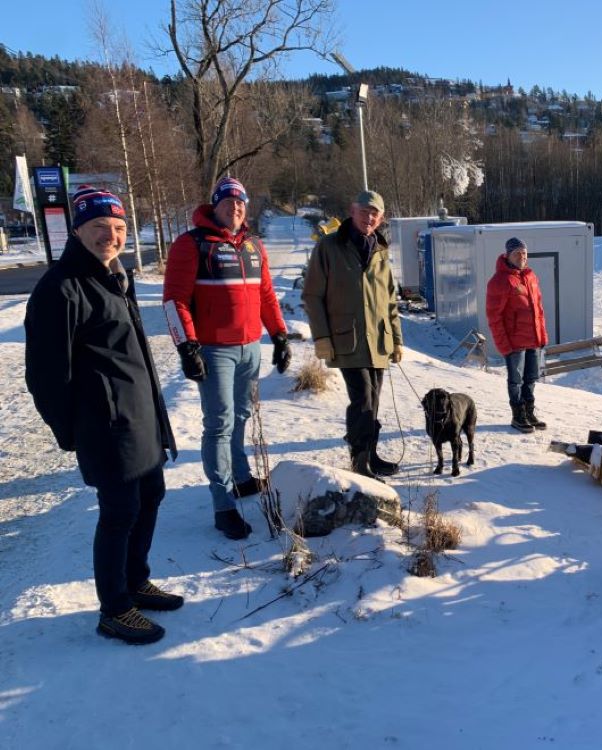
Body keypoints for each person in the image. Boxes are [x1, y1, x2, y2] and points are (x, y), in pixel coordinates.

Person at [24, 188, 181, 645]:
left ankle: (135, 581)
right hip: (106, 424)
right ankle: (114, 608)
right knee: (120, 511)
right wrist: (72, 430)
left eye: (117, 229)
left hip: (140, 416)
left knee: (151, 495)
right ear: (78, 230)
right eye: (98, 228)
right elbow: (46, 376)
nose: (109, 237)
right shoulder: (62, 286)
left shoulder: (112, 275)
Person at [163, 176, 291, 540]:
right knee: (219, 423)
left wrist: (279, 335)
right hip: (213, 349)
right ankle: (222, 504)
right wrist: (187, 346)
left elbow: (266, 295)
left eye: (241, 202)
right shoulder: (191, 245)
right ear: (214, 205)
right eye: (228, 201)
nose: (235, 207)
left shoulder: (254, 246)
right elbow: (174, 300)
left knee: (242, 414)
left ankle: (242, 477)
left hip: (250, 348)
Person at [301, 190, 403, 480]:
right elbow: (312, 295)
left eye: (375, 214)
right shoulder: (330, 246)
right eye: (364, 211)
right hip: (347, 338)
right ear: (352, 210)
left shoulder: (380, 251)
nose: (369, 218)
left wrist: (396, 339)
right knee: (362, 399)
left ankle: (370, 454)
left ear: (381, 219)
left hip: (379, 340)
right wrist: (321, 337)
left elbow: (390, 299)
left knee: (374, 399)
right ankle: (359, 462)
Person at [486, 236, 549, 433]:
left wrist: (542, 337)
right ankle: (517, 415)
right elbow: (494, 316)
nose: (521, 256)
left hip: (533, 340)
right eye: (517, 253)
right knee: (516, 380)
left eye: (524, 253)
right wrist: (503, 345)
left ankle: (529, 411)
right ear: (507, 255)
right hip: (515, 343)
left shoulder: (530, 276)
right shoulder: (500, 281)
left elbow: (538, 310)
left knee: (531, 378)